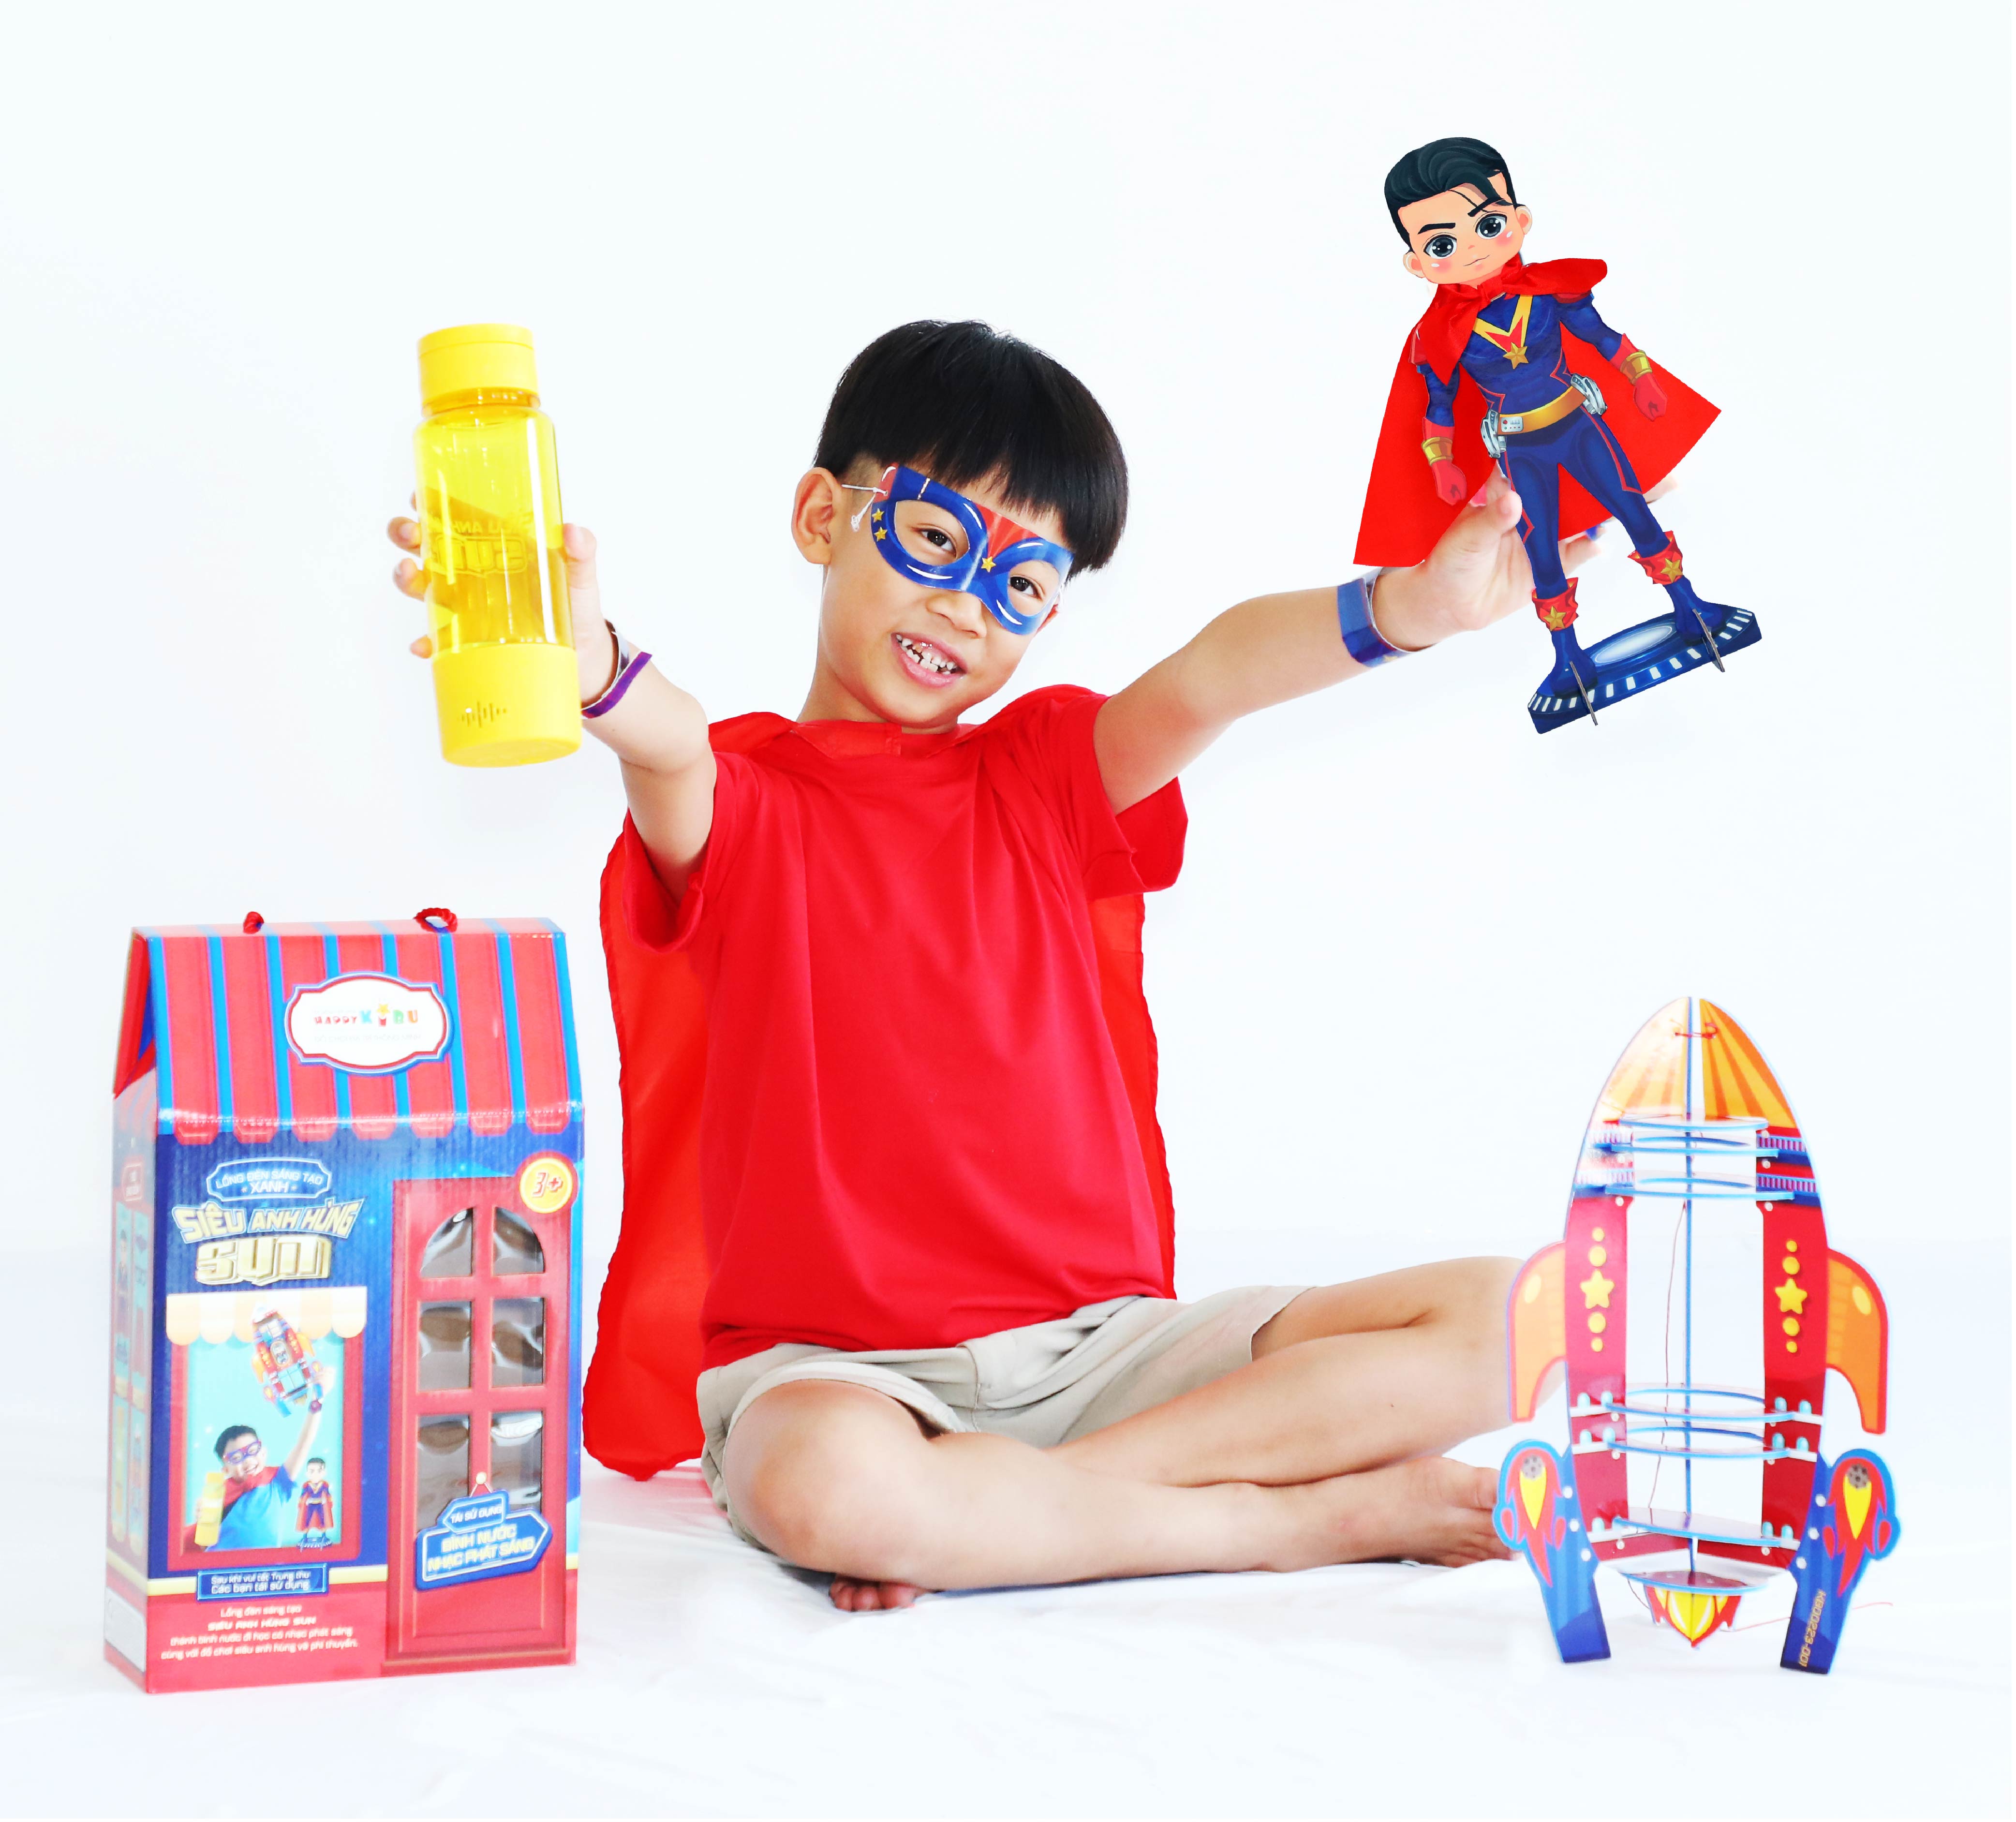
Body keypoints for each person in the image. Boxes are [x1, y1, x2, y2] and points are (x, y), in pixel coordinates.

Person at [388, 320, 1575, 1610]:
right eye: (934, 540)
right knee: (822, 1487)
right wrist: (596, 667)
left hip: (1105, 1353)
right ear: (823, 517)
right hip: (844, 1377)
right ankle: (1284, 1519)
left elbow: (1212, 676)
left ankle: (1006, 1509)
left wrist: (1409, 608)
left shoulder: (1047, 773)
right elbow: (665, 747)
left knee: (1526, 1314)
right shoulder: (741, 798)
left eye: (1019, 585)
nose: (964, 607)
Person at [1355, 135, 1736, 722]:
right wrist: (1441, 462)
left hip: (1578, 423)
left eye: (1487, 226)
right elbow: (1438, 405)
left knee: (1635, 512)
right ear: (1416, 262)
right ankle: (1566, 657)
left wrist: (1639, 376)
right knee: (1542, 554)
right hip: (1519, 449)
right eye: (1441, 244)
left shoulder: (1550, 292)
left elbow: (1601, 336)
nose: (1470, 249)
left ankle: (1689, 606)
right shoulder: (1437, 337)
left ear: (1520, 220)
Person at [205, 1401, 322, 1551]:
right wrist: (204, 1515)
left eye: (252, 1450)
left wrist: (317, 1402)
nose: (248, 1461)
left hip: (265, 1564)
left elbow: (304, 1444)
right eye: (236, 1458)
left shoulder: (277, 1483)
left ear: (264, 1453)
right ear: (226, 1470)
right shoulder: (216, 1493)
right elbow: (202, 1542)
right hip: (222, 1564)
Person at [295, 1456, 335, 1544]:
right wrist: (304, 1502)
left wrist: (327, 1501)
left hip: (321, 1505)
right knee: (306, 1520)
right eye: (312, 1472)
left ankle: (324, 1536)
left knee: (323, 1520)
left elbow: (328, 1495)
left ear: (324, 1473)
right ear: (307, 1473)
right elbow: (302, 1496)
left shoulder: (324, 1485)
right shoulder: (306, 1486)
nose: (315, 1475)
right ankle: (305, 1537)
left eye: (319, 1472)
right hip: (310, 1506)